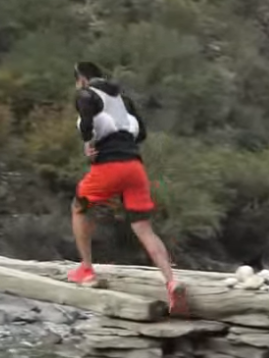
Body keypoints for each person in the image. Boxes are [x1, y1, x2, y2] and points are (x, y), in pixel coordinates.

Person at [68, 61, 188, 315]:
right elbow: (141, 133)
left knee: (80, 207)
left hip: (109, 168)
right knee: (143, 228)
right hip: (135, 169)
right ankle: (171, 281)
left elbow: (86, 122)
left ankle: (87, 269)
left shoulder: (86, 94)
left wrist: (88, 143)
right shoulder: (124, 100)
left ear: (82, 79)